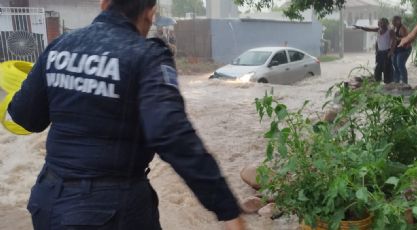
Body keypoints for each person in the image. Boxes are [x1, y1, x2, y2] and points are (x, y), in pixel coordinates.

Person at [7, 0, 245, 229]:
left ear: (104, 3)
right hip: (111, 211)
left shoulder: (59, 46)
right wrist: (226, 207)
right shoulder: (146, 56)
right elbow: (171, 133)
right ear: (150, 13)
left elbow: (24, 116)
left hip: (47, 203)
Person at [354, 18, 395, 83]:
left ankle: (388, 83)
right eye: (380, 23)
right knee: (378, 68)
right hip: (379, 53)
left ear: (386, 24)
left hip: (387, 52)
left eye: (383, 23)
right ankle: (377, 81)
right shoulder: (378, 30)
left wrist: (391, 51)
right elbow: (369, 29)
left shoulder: (390, 31)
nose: (381, 24)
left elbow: (394, 41)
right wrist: (360, 27)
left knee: (387, 68)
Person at [391, 16, 412, 84]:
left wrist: (397, 38)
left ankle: (404, 82)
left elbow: (407, 38)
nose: (392, 22)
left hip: (405, 49)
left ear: (399, 21)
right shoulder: (394, 28)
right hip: (397, 49)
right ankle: (396, 81)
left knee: (400, 64)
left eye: (394, 20)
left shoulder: (402, 28)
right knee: (394, 64)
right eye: (392, 20)